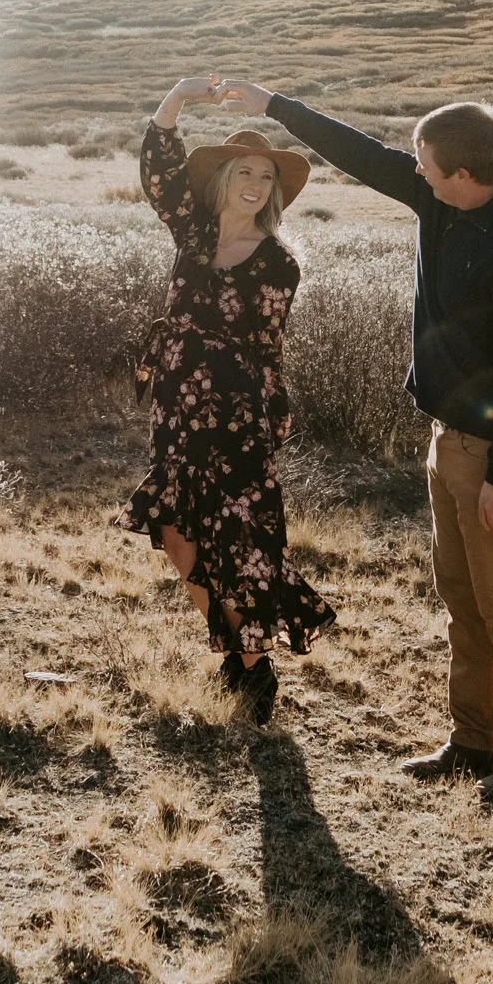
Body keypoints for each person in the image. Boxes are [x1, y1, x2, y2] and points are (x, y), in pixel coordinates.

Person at [215, 78, 493, 804]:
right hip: (452, 439)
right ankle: (476, 741)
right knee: (465, 601)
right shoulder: (439, 198)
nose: (415, 172)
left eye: (427, 165)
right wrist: (274, 105)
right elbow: (361, 154)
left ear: (464, 173)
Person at [116, 75, 335, 720]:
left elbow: (266, 350)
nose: (256, 184)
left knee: (240, 539)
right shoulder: (192, 228)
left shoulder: (278, 263)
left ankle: (249, 668)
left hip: (235, 412)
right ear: (223, 178)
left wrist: (270, 417)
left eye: (266, 177)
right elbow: (158, 172)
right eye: (245, 172)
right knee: (174, 528)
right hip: (175, 401)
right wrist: (177, 99)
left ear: (275, 192)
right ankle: (241, 651)